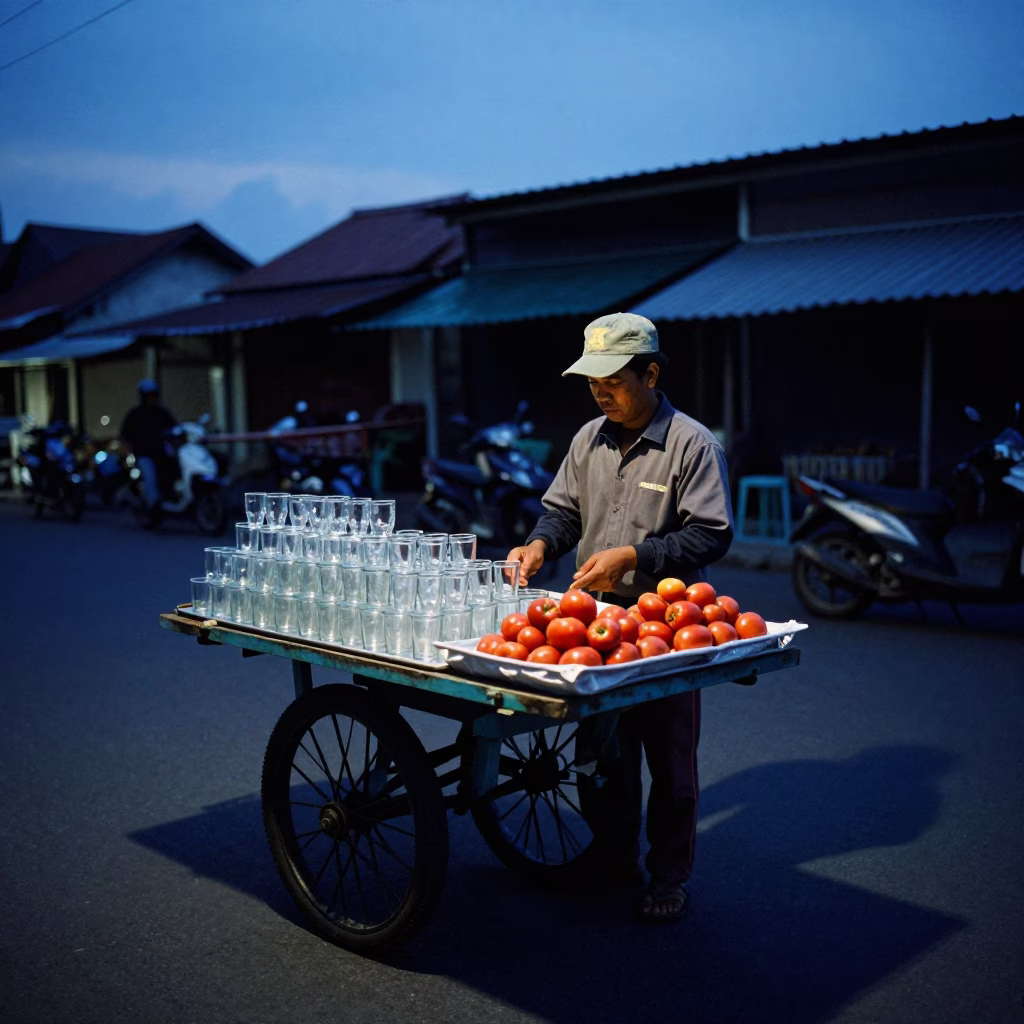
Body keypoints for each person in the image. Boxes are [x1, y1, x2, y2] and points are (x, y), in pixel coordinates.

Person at [507, 311, 734, 923]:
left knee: (670, 760)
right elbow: (561, 513)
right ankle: (611, 858)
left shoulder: (692, 442)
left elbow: (711, 535)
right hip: (594, 625)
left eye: (613, 379)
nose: (600, 391)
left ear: (651, 373)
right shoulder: (588, 439)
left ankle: (668, 875)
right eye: (591, 381)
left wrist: (638, 555)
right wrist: (539, 544)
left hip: (667, 625)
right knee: (601, 753)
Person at [120, 378, 177, 523]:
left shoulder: (162, 413)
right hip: (144, 455)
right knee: (150, 480)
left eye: (153, 395)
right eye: (148, 395)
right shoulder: (135, 414)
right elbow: (125, 435)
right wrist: (129, 452)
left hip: (162, 455)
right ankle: (153, 509)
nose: (151, 398)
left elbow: (175, 428)